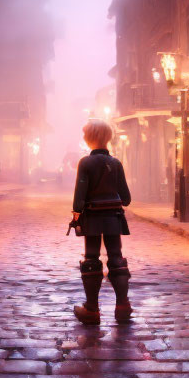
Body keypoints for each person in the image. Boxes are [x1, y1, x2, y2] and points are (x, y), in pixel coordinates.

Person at [70, 118, 132, 324]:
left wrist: (76, 213)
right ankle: (123, 304)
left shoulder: (85, 163)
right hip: (114, 217)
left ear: (89, 138)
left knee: (91, 258)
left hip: (93, 218)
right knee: (116, 257)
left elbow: (80, 197)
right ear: (108, 137)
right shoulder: (116, 164)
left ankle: (92, 309)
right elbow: (126, 198)